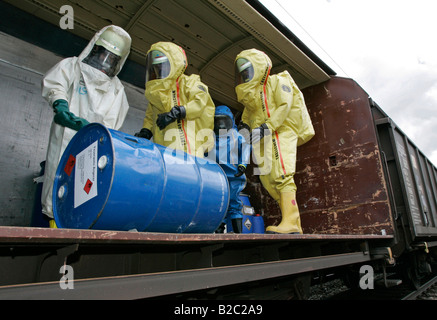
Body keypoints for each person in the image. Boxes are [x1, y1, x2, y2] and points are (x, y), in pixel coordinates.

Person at [41, 25, 132, 227]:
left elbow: (111, 127)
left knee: (85, 190)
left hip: (92, 149)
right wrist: (60, 105)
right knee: (57, 186)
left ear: (119, 62)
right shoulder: (72, 67)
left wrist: (93, 133)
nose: (104, 62)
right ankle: (54, 225)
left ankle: (77, 229)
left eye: (111, 59)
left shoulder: (117, 90)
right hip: (64, 139)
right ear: (94, 49)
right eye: (102, 55)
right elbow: (55, 85)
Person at [234, 48, 315, 234]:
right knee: (267, 178)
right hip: (263, 138)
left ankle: (291, 221)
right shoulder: (252, 96)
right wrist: (244, 129)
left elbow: (284, 106)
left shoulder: (279, 81)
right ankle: (292, 222)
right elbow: (247, 117)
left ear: (259, 68)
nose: (244, 76)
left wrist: (267, 127)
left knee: (281, 174)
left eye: (248, 71)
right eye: (242, 73)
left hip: (281, 132)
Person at [135, 42, 215, 157]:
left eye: (162, 66)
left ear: (174, 65)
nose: (158, 70)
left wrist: (177, 112)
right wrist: (146, 131)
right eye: (156, 67)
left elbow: (199, 102)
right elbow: (150, 116)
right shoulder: (157, 91)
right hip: (162, 149)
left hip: (188, 150)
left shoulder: (189, 82)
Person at [206, 105, 250, 233]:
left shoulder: (237, 136)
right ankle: (219, 231)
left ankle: (238, 233)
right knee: (218, 203)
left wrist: (242, 165)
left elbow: (246, 149)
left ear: (230, 121)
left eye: (224, 121)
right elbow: (203, 153)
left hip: (234, 175)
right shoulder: (210, 138)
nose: (220, 125)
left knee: (233, 202)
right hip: (216, 176)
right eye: (217, 121)